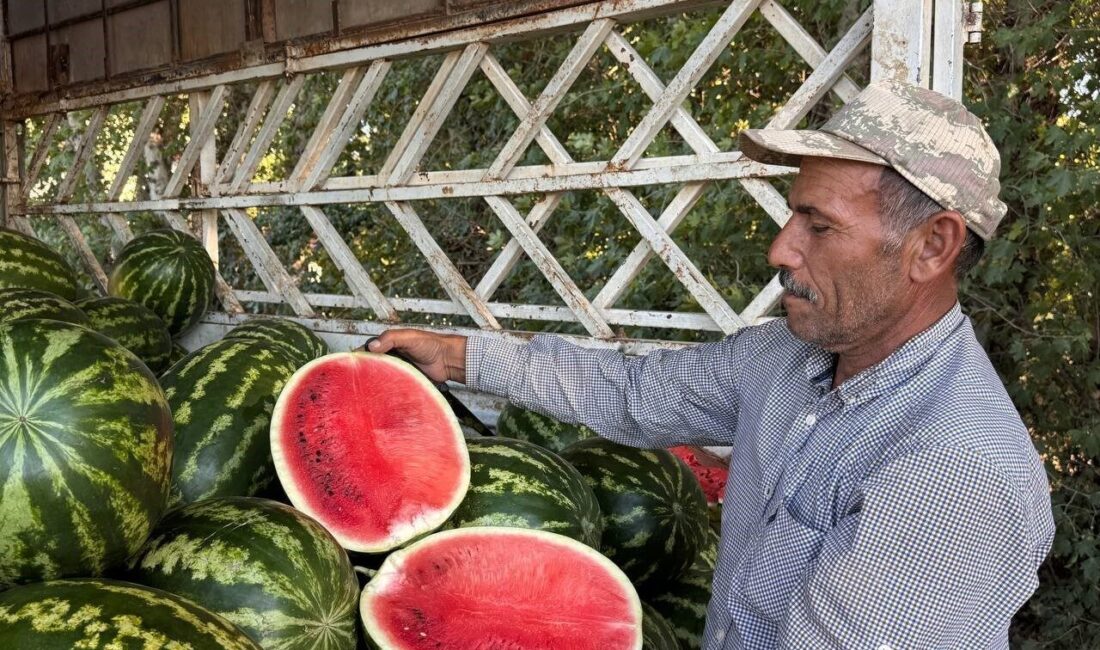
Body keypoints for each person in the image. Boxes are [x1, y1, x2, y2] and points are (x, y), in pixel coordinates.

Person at [366, 81, 1055, 649]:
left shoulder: (956, 472)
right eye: (792, 217)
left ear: (932, 248)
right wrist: (461, 357)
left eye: (818, 226)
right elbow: (635, 392)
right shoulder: (787, 356)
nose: (781, 251)